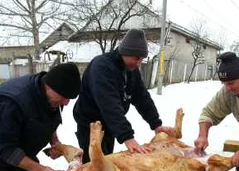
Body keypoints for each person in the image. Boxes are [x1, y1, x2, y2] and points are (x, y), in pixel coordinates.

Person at [73, 28, 175, 163]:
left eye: (142, 59)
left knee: (108, 161)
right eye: (136, 58)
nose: (139, 63)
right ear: (125, 52)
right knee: (94, 166)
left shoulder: (131, 70)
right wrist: (127, 137)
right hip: (90, 125)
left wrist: (156, 124)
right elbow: (110, 104)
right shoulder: (102, 67)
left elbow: (142, 98)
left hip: (110, 125)